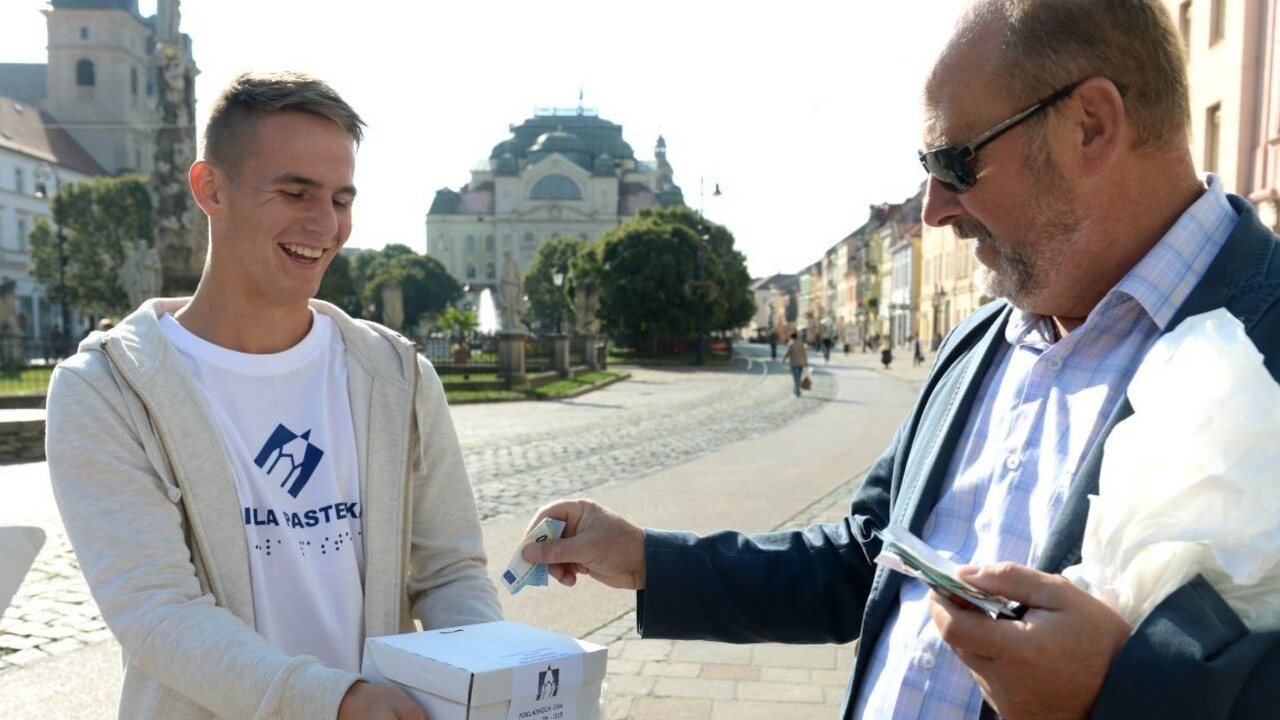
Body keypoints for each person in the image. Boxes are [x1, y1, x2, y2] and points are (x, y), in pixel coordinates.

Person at [520, 1, 1280, 718]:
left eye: (955, 162)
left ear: (1089, 125)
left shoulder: (1265, 334)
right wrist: (647, 559)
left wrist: (1124, 690)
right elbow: (873, 556)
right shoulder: (982, 338)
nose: (932, 211)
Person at [44, 71, 501, 720]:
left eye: (342, 198)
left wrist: (490, 682)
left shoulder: (396, 375)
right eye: (294, 192)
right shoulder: (107, 390)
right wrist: (335, 701)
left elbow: (451, 573)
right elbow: (155, 612)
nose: (326, 224)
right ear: (210, 189)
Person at [779, 330, 808, 397]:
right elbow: (804, 353)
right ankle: (796, 390)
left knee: (796, 378)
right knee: (798, 377)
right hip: (801, 363)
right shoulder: (801, 343)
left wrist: (783, 360)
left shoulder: (790, 344)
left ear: (791, 337)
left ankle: (797, 391)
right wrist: (806, 363)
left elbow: (787, 353)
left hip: (794, 363)